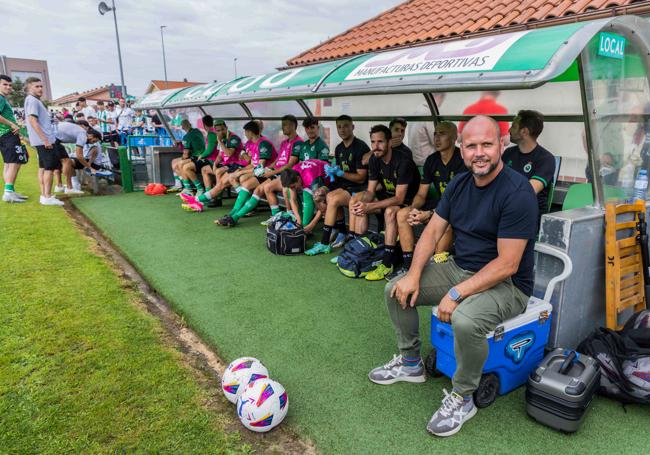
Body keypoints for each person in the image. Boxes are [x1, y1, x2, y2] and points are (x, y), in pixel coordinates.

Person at [368, 115, 538, 437]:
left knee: (465, 321)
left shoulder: (518, 192)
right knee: (397, 289)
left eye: (487, 144)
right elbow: (432, 233)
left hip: (508, 285)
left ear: (501, 145)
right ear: (462, 150)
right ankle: (410, 364)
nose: (479, 153)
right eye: (471, 145)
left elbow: (507, 264)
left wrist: (458, 293)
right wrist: (413, 275)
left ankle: (463, 396)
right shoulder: (460, 183)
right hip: (461, 268)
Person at [391, 122, 466, 278]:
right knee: (402, 214)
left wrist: (430, 214)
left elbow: (459, 201)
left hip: (459, 207)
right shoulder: (432, 160)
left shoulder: (463, 160)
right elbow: (421, 195)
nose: (437, 138)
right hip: (440, 204)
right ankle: (408, 265)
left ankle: (437, 269)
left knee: (444, 221)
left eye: (442, 134)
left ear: (454, 138)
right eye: (435, 134)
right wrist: (414, 210)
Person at [349, 124, 420, 281]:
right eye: (373, 142)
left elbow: (400, 198)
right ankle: (357, 252)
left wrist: (370, 206)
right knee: (359, 204)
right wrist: (362, 204)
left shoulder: (403, 161)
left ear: (389, 142)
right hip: (387, 198)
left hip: (409, 202)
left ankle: (387, 264)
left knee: (390, 211)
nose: (376, 146)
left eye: (380, 142)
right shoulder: (375, 159)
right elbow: (370, 191)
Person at [213, 115, 303, 224]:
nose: (283, 127)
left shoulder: (298, 142)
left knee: (261, 187)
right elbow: (278, 160)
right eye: (283, 125)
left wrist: (271, 171)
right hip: (275, 172)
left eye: (286, 125)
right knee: (255, 187)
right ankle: (234, 215)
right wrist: (268, 168)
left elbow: (290, 164)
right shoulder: (284, 142)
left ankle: (235, 216)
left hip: (287, 175)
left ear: (294, 126)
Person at [305, 115, 370, 255]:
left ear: (352, 127)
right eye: (339, 126)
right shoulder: (339, 148)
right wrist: (331, 176)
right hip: (344, 187)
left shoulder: (360, 147)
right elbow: (337, 175)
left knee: (333, 198)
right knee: (321, 194)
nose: (342, 129)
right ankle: (341, 231)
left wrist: (340, 173)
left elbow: (360, 178)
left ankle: (324, 243)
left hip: (359, 189)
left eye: (346, 126)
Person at [213, 121, 276, 225]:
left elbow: (260, 167)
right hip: (261, 172)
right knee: (244, 181)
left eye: (246, 132)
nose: (245, 134)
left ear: (250, 132)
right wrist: (241, 170)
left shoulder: (264, 143)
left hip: (268, 172)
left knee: (244, 181)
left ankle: (234, 216)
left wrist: (240, 172)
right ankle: (232, 215)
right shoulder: (251, 143)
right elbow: (252, 163)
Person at [503, 110, 555, 225]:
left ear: (524, 132)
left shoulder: (546, 159)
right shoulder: (508, 153)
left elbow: (528, 192)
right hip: (504, 211)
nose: (509, 130)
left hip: (528, 216)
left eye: (513, 126)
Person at [24, 77, 66, 206]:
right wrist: (45, 139)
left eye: (41, 86)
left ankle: (44, 195)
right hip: (44, 141)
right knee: (49, 168)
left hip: (43, 140)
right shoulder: (32, 100)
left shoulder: (34, 100)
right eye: (37, 86)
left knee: (43, 167)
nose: (40, 89)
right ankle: (47, 197)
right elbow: (32, 120)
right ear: (29, 87)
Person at [0, 74, 29, 203]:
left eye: (10, 85)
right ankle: (8, 193)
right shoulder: (0, 98)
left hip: (4, 135)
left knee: (8, 163)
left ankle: (9, 191)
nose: (8, 87)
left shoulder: (3, 99)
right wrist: (12, 124)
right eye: (5, 84)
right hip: (8, 134)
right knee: (14, 162)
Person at [279, 160, 329, 229]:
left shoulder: (311, 180)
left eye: (293, 186)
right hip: (310, 173)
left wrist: (311, 225)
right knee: (289, 192)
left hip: (329, 179)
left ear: (298, 178)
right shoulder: (292, 173)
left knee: (308, 197)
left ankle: (306, 225)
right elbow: (293, 200)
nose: (293, 189)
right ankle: (300, 222)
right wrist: (298, 219)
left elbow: (321, 203)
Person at [55, 120, 102, 191]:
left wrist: (89, 166)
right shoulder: (83, 134)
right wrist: (89, 167)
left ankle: (66, 186)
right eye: (94, 141)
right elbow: (79, 156)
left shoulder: (84, 136)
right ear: (91, 136)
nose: (93, 143)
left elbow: (92, 153)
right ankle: (70, 187)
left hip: (51, 139)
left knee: (67, 162)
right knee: (65, 161)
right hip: (53, 140)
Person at [179, 115, 218, 196]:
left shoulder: (211, 134)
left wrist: (202, 156)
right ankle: (205, 192)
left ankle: (200, 190)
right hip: (211, 160)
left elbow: (209, 150)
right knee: (202, 169)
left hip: (211, 160)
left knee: (185, 166)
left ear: (204, 124)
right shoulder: (209, 132)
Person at [172, 119, 205, 195]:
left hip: (198, 157)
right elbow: (193, 142)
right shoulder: (197, 131)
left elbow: (186, 154)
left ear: (182, 128)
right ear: (190, 124)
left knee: (179, 164)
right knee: (174, 162)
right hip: (200, 155)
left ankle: (190, 188)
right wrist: (181, 143)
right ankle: (180, 185)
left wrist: (182, 159)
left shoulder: (187, 136)